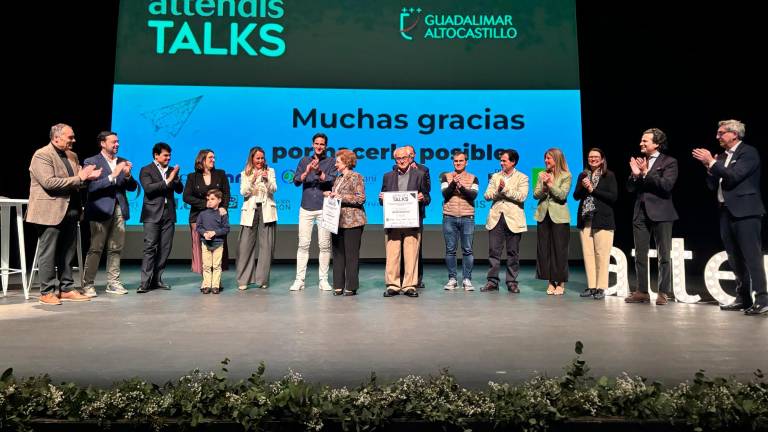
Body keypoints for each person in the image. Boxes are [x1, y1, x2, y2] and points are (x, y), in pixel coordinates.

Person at [692, 120, 766, 315]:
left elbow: (734, 177)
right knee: (734, 258)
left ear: (734, 134)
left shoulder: (748, 153)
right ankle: (743, 297)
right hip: (725, 211)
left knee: (752, 256)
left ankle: (763, 299)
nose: (717, 136)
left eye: (721, 133)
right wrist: (709, 167)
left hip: (746, 211)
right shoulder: (723, 156)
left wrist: (712, 162)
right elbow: (712, 184)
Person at [27, 123, 101, 305]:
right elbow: (49, 183)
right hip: (49, 211)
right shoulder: (42, 155)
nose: (74, 140)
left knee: (68, 251)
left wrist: (88, 178)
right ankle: (46, 292)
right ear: (56, 137)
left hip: (71, 209)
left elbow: (76, 182)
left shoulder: (72, 155)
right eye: (70, 137)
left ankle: (66, 288)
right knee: (49, 252)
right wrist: (81, 177)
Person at [625, 128, 678, 305]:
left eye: (645, 141)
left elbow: (666, 186)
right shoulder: (641, 161)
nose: (641, 143)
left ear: (656, 144)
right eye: (641, 140)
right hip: (640, 213)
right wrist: (635, 175)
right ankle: (642, 291)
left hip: (662, 213)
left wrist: (647, 173)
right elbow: (630, 188)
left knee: (664, 255)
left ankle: (663, 292)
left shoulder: (669, 162)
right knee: (640, 254)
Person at [81, 131, 138, 297]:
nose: (117, 144)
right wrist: (113, 175)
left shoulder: (121, 161)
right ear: (102, 143)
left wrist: (127, 175)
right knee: (96, 248)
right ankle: (88, 284)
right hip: (100, 209)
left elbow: (132, 187)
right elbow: (91, 187)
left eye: (118, 141)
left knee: (116, 248)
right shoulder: (91, 161)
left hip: (119, 209)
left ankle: (113, 282)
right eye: (113, 142)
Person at [380, 147, 431, 298]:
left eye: (404, 158)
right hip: (393, 222)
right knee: (392, 255)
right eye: (398, 158)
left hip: (412, 221)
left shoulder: (419, 175)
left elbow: (428, 197)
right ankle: (393, 285)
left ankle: (409, 285)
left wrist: (423, 198)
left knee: (411, 255)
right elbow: (382, 199)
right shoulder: (387, 176)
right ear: (395, 160)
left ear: (410, 158)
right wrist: (381, 198)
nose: (401, 161)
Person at [289, 132, 337, 291]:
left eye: (322, 144)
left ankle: (323, 280)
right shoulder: (304, 160)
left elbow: (332, 180)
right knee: (303, 244)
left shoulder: (331, 161)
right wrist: (308, 170)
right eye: (317, 143)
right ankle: (299, 280)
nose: (319, 146)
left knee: (324, 245)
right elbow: (296, 181)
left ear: (326, 146)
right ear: (312, 144)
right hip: (306, 207)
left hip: (324, 208)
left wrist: (318, 172)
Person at [138, 142, 183, 293]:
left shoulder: (171, 170)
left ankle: (157, 279)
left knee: (165, 248)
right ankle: (145, 282)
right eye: (165, 155)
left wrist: (176, 178)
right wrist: (168, 180)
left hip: (168, 213)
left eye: (170, 155)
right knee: (150, 247)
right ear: (156, 155)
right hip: (152, 214)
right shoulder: (146, 170)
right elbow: (149, 189)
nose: (168, 158)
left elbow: (179, 190)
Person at [573, 148, 617, 300]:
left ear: (602, 159)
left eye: (596, 157)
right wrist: (583, 186)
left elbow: (613, 197)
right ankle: (591, 286)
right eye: (590, 157)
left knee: (602, 254)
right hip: (586, 219)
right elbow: (576, 196)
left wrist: (592, 189)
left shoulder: (608, 175)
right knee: (588, 254)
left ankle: (601, 287)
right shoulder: (583, 175)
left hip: (603, 219)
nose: (593, 159)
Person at [483, 149, 529, 293]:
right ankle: (492, 281)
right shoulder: (495, 176)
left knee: (513, 252)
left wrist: (505, 189)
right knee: (494, 251)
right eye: (501, 160)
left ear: (513, 162)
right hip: (496, 218)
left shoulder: (522, 177)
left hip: (513, 219)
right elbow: (487, 195)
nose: (501, 163)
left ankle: (512, 282)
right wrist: (498, 191)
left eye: (504, 160)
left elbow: (522, 196)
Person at [183, 149, 230, 275]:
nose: (213, 160)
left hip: (218, 217)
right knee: (201, 251)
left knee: (218, 249)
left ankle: (216, 280)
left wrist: (224, 207)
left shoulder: (220, 174)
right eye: (210, 157)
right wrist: (206, 204)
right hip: (198, 217)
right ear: (202, 159)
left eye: (214, 157)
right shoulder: (192, 177)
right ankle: (206, 279)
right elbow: (186, 197)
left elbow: (226, 193)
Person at [325, 149, 366, 296]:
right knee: (338, 254)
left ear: (346, 162)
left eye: (338, 162)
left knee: (351, 255)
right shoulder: (338, 178)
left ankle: (351, 286)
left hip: (352, 222)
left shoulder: (356, 177)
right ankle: (338, 285)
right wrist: (330, 195)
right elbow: (337, 196)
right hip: (337, 221)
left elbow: (360, 198)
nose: (335, 164)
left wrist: (340, 196)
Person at [236, 147, 277, 290]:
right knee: (245, 245)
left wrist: (267, 180)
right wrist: (253, 180)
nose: (260, 161)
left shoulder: (270, 171)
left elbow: (274, 189)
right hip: (250, 210)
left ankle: (262, 280)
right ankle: (244, 280)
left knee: (266, 246)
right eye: (257, 158)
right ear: (252, 159)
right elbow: (243, 192)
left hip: (266, 210)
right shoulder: (245, 173)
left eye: (262, 158)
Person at [533, 148, 572, 295]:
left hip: (559, 217)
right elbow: (535, 195)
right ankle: (550, 281)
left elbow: (562, 195)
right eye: (545, 158)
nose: (546, 161)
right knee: (545, 250)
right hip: (543, 216)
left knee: (559, 250)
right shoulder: (541, 174)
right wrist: (544, 186)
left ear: (556, 159)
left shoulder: (566, 175)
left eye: (548, 158)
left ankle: (560, 282)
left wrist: (550, 184)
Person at [440, 151, 479, 291]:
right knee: (450, 250)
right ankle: (452, 279)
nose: (458, 163)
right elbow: (445, 194)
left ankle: (467, 279)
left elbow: (472, 195)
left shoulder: (473, 178)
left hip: (467, 217)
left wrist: (461, 187)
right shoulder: (446, 177)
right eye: (455, 161)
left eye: (461, 161)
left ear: (466, 162)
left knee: (467, 250)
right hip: (449, 217)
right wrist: (453, 184)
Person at [404, 145, 431, 289]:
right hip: (399, 215)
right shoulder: (395, 169)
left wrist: (422, 197)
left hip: (416, 214)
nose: (406, 158)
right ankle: (402, 278)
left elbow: (427, 191)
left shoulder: (423, 170)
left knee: (416, 248)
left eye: (409, 155)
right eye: (404, 155)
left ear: (414, 155)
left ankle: (417, 279)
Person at [196, 189, 230, 294]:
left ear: (219, 200)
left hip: (218, 243)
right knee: (206, 265)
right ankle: (206, 285)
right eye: (208, 199)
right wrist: (204, 233)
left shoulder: (222, 214)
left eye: (212, 199)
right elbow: (198, 227)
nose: (209, 201)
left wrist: (215, 232)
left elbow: (226, 229)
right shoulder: (202, 214)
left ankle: (215, 285)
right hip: (205, 243)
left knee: (216, 265)